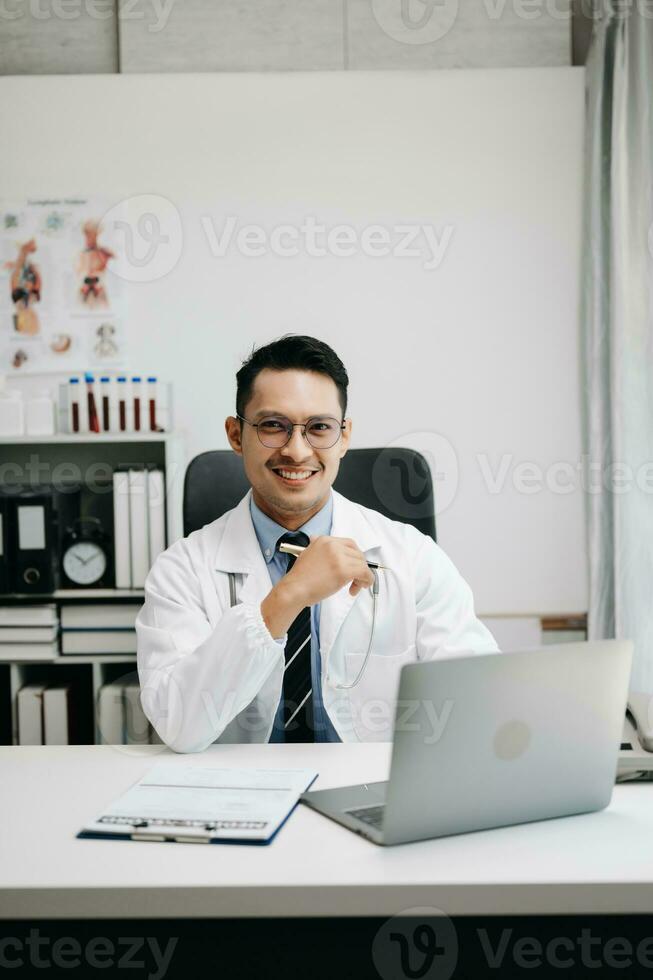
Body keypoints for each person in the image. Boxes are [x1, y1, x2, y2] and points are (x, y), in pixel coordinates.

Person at [137, 335, 497, 752]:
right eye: (273, 426)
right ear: (236, 435)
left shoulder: (412, 557)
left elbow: (478, 700)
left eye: (319, 428)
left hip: (371, 790)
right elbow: (179, 726)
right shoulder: (181, 569)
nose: (296, 450)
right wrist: (288, 597)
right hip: (237, 793)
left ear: (343, 437)